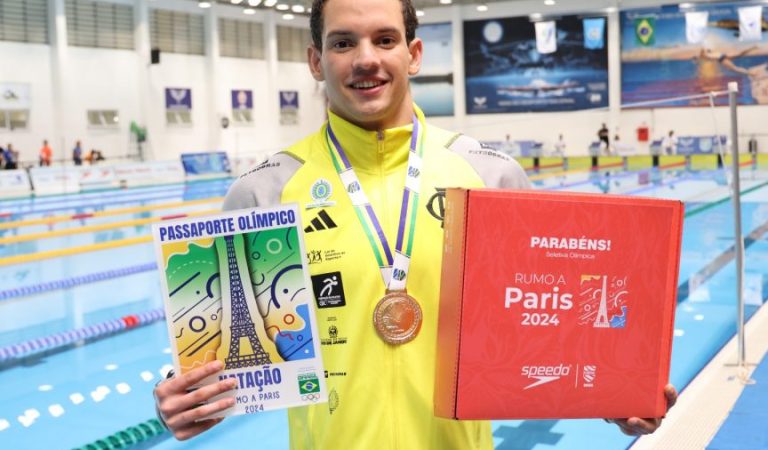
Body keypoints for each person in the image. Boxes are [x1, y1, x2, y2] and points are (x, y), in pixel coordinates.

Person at [153, 0, 678, 447]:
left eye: (385, 39)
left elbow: (547, 328)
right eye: (342, 43)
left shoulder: (489, 175)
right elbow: (215, 352)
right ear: (315, 61)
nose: (366, 60)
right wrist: (183, 393)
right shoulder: (265, 190)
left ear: (415, 53)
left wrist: (613, 390)